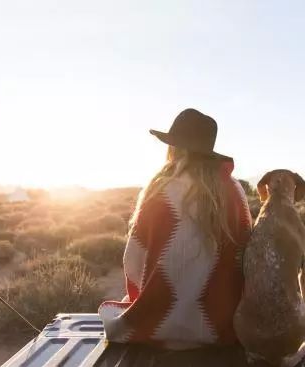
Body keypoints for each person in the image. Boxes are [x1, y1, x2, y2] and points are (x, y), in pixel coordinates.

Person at [99, 109, 252, 350]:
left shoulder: (160, 193)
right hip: (224, 329)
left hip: (155, 328)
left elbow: (134, 263)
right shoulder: (235, 192)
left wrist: (151, 301)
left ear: (173, 148)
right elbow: (245, 262)